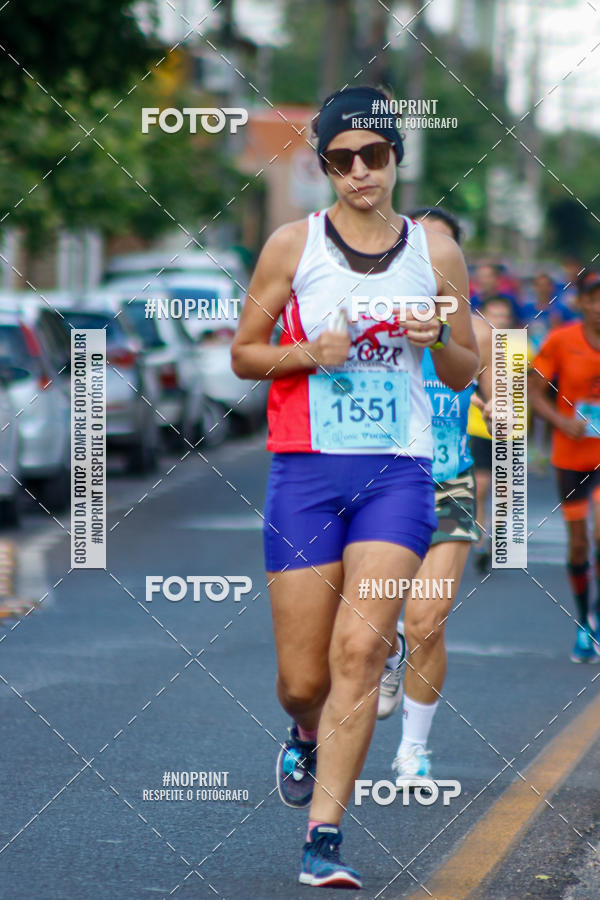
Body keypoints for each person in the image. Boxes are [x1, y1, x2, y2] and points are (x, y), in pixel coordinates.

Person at [231, 85, 479, 889]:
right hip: (304, 470)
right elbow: (243, 353)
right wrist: (309, 355)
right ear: (325, 166)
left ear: (396, 157)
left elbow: (465, 369)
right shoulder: (288, 245)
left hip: (397, 474)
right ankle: (303, 732)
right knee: (304, 679)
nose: (360, 172)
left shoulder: (434, 253)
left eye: (374, 155)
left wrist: (438, 333)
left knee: (362, 648)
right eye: (342, 160)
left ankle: (324, 838)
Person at [376, 207, 493, 790]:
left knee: (427, 620)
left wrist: (500, 410)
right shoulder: (377, 318)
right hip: (383, 483)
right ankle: (387, 649)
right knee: (375, 625)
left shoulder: (488, 333)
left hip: (449, 482)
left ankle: (412, 750)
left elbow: (510, 406)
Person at [528, 270, 600, 663]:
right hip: (570, 456)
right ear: (583, 303)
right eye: (594, 299)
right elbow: (533, 391)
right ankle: (583, 622)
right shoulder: (561, 340)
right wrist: (561, 421)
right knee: (578, 543)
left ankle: (598, 614)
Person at [467, 295, 516, 571]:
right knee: (481, 486)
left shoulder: (521, 349)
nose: (499, 321)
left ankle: (496, 530)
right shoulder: (473, 343)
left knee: (505, 491)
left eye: (504, 317)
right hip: (477, 425)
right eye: (494, 315)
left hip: (511, 429)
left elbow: (532, 385)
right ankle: (481, 542)